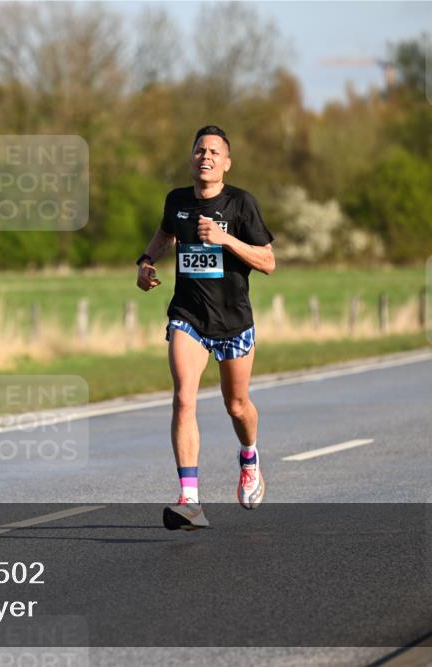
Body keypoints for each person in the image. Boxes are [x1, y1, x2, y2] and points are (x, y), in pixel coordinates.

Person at [136, 125, 276, 530]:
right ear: (192, 158)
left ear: (226, 163)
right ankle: (190, 500)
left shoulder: (241, 204)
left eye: (215, 151)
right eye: (200, 150)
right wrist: (146, 262)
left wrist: (225, 240)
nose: (206, 156)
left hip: (233, 320)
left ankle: (249, 456)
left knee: (237, 405)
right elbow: (165, 234)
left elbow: (268, 262)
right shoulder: (177, 201)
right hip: (189, 316)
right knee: (184, 398)